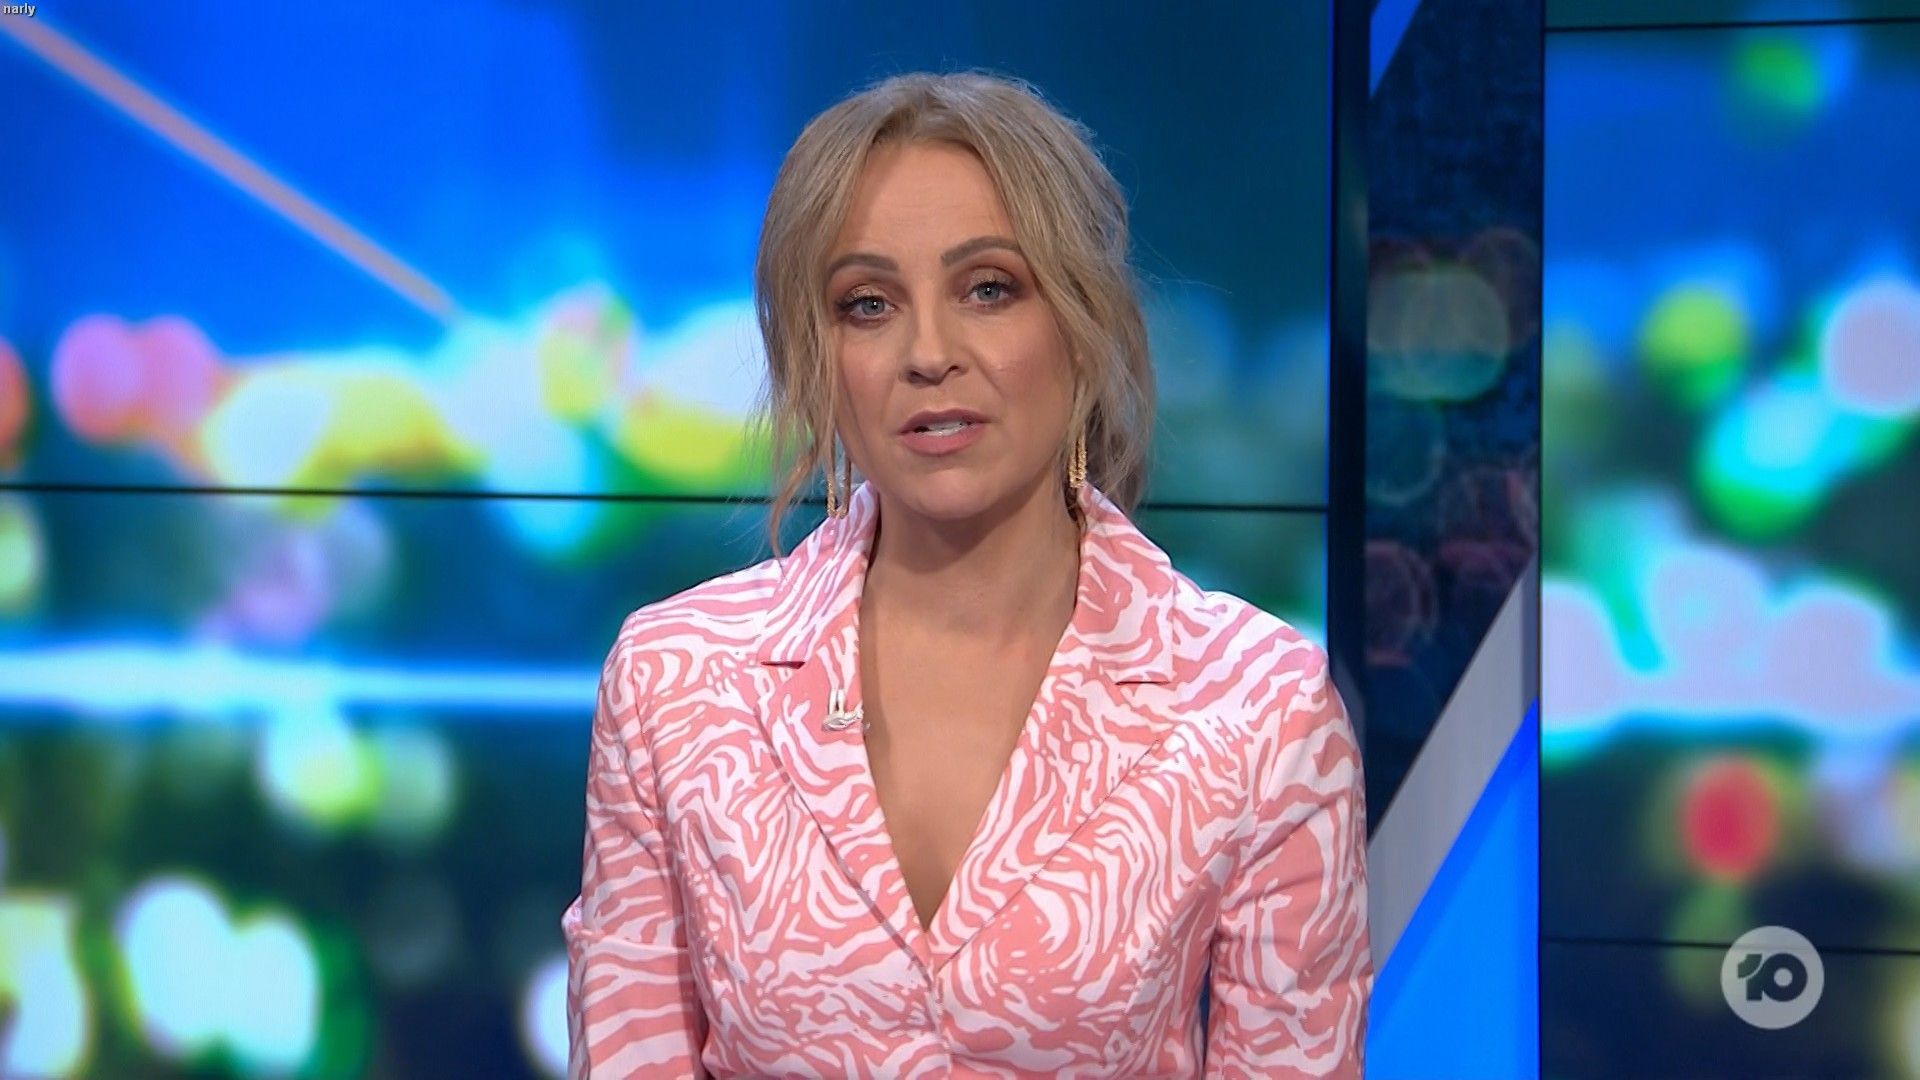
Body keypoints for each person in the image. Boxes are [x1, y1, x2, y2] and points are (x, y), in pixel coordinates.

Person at [562, 70, 1371, 1079]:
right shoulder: (675, 682)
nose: (928, 353)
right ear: (818, 358)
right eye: (867, 304)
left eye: (989, 288)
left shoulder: (1258, 707)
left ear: (1081, 320)